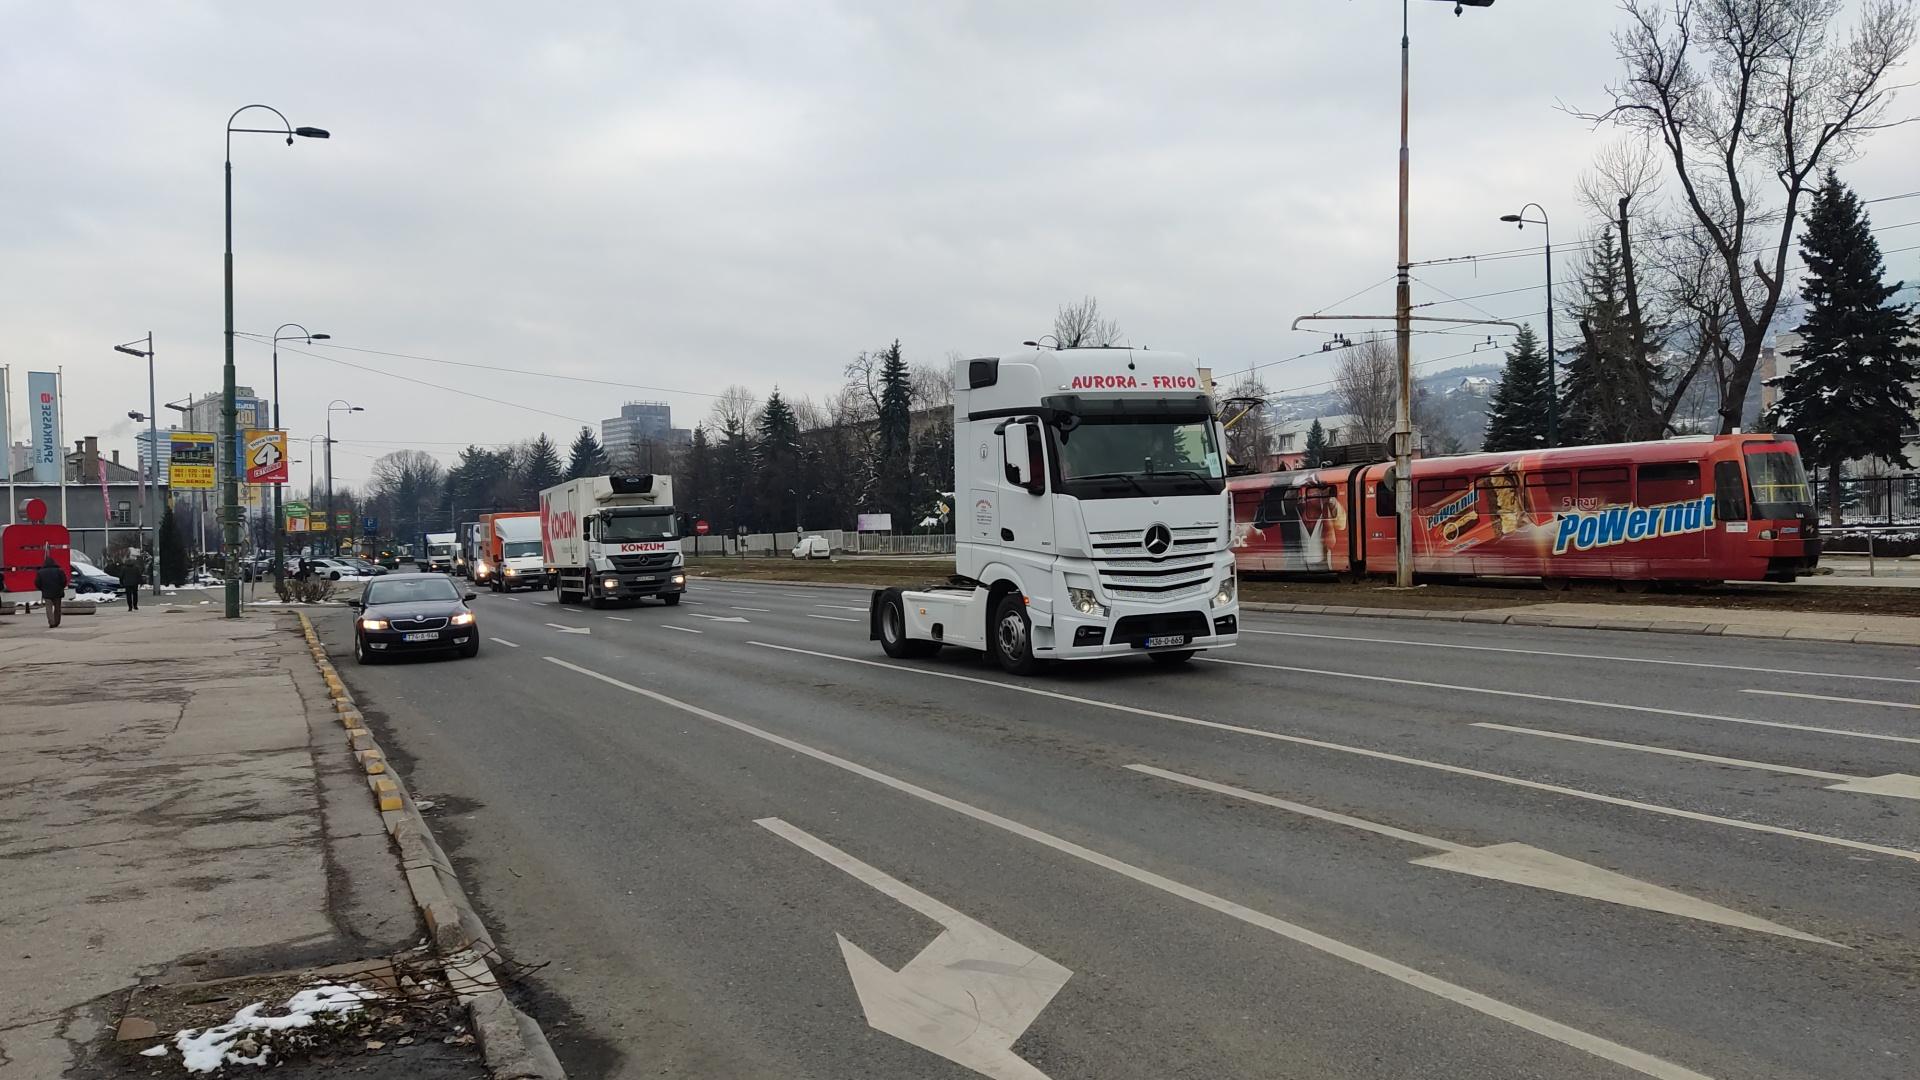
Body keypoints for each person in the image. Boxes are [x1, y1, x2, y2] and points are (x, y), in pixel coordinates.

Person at [35, 556, 68, 629]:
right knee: (57, 608)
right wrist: (61, 587)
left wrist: (42, 588)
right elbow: (64, 581)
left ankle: (51, 622)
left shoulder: (40, 572)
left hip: (47, 593)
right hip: (58, 592)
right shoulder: (59, 571)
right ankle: (57, 622)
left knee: (48, 608)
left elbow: (37, 583)